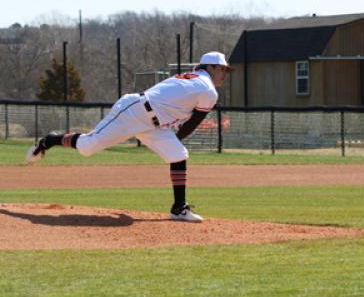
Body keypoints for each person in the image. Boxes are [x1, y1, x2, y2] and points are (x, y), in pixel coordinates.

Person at [25, 51, 234, 223]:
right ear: (210, 67)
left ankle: (179, 208)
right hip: (134, 111)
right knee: (88, 147)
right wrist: (176, 136)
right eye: (222, 68)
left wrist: (172, 140)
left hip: (153, 122)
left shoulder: (193, 78)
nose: (225, 73)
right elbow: (193, 122)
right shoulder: (208, 89)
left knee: (178, 154)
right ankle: (50, 140)